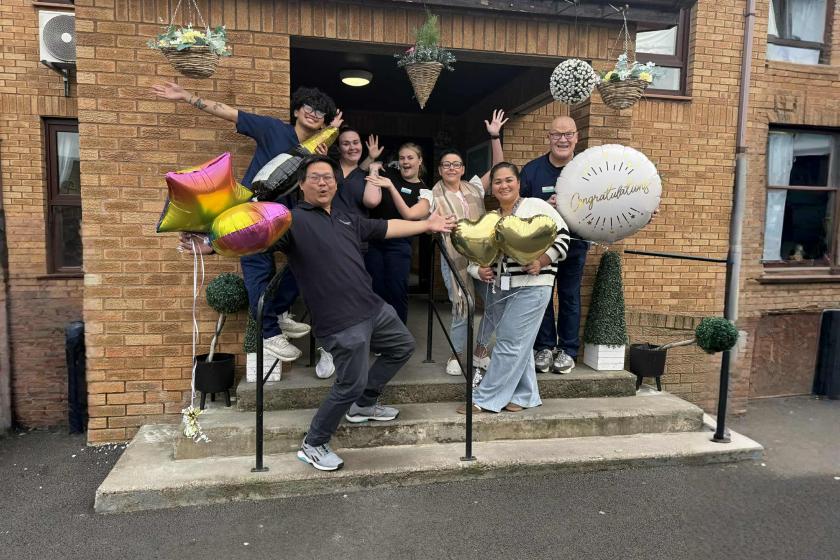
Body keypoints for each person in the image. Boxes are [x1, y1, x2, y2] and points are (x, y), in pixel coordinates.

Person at [180, 156, 456, 471]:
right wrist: (211, 244)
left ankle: (363, 404)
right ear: (302, 184)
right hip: (339, 319)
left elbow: (387, 226)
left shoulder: (347, 217)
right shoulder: (291, 221)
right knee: (349, 382)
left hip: (372, 307)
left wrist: (428, 224)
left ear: (336, 183)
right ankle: (314, 442)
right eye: (315, 177)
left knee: (402, 347)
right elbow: (254, 237)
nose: (322, 182)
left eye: (327, 177)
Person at [152, 82, 341, 373]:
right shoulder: (272, 129)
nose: (314, 114)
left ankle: (277, 312)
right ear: (297, 109)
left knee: (310, 259)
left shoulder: (315, 149)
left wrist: (322, 155)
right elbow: (228, 112)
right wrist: (187, 97)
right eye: (310, 107)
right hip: (251, 212)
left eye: (321, 112)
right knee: (258, 269)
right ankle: (269, 332)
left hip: (285, 218)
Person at [366, 110, 508, 377]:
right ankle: (456, 355)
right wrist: (390, 187)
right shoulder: (431, 194)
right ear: (440, 169)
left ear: (463, 168)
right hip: (454, 258)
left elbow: (499, 169)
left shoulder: (475, 187)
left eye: (456, 164)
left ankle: (481, 350)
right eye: (446, 165)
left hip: (485, 257)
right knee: (462, 306)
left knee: (495, 303)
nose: (451, 168)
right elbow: (410, 215)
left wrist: (494, 137)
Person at [460, 162, 570, 414]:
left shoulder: (536, 206)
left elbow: (563, 238)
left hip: (535, 285)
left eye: (508, 180)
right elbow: (479, 257)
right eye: (497, 182)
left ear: (519, 183)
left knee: (509, 342)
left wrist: (541, 261)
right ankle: (524, 396)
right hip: (504, 288)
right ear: (492, 189)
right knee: (520, 344)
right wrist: (480, 270)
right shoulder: (493, 218)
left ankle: (484, 398)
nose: (503, 185)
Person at [519, 115, 588, 375]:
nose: (563, 139)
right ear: (549, 137)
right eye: (557, 135)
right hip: (542, 248)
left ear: (576, 137)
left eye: (568, 134)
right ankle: (544, 347)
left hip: (575, 243)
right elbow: (519, 210)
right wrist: (543, 210)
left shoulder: (586, 169)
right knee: (543, 297)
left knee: (570, 297)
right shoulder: (532, 171)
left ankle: (568, 351)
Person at [362, 142, 428, 324]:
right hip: (375, 241)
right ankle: (378, 336)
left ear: (419, 161)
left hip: (399, 245)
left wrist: (391, 187)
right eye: (402, 158)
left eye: (410, 157)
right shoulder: (388, 173)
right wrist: (373, 163)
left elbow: (410, 214)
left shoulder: (424, 191)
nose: (405, 162)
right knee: (375, 290)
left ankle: (397, 340)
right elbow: (360, 176)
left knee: (397, 292)